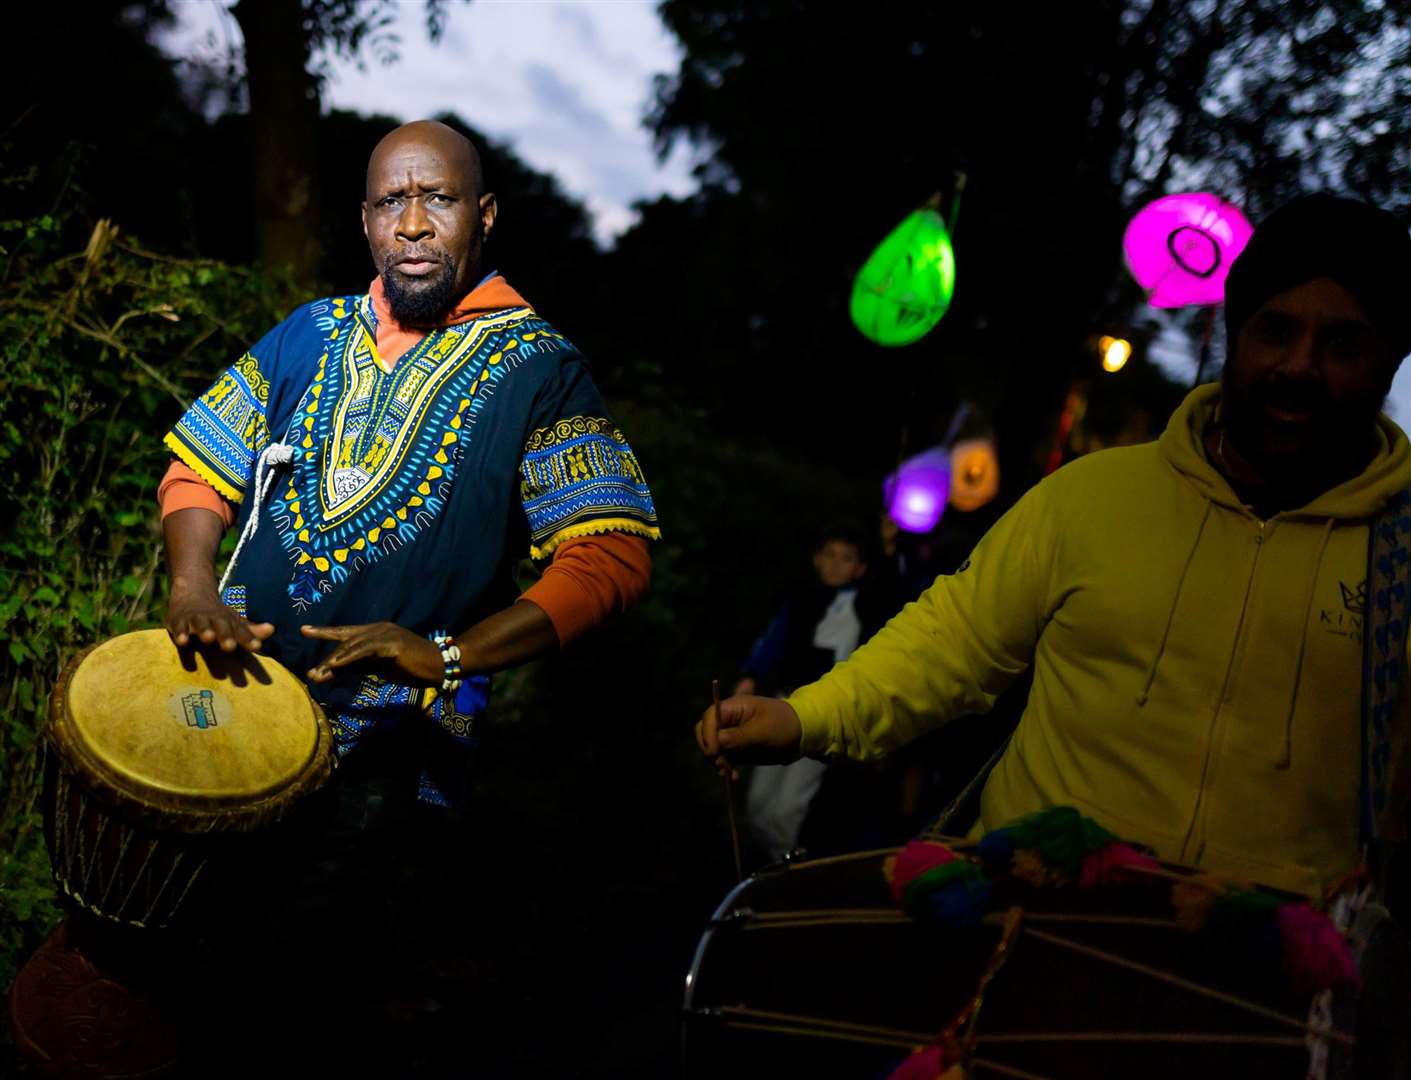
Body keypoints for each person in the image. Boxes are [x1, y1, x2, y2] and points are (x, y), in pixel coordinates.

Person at [697, 193, 1411, 901]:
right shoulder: (1091, 495)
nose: (1298, 366)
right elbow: (952, 639)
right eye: (1274, 331)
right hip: (1027, 932)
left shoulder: (1401, 555)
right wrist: (804, 717)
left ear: (1390, 360)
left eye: (1342, 344)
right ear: (1235, 333)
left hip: (1257, 984)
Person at [157, 119, 659, 1068]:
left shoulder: (539, 371)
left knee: (291, 985)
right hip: (230, 708)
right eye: (393, 201)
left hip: (381, 750)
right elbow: (199, 470)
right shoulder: (310, 333)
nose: (415, 223)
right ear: (365, 222)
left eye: (439, 198)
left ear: (485, 215)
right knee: (194, 952)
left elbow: (610, 555)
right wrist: (192, 587)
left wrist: (449, 655)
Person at [734, 526, 872, 860]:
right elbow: (774, 639)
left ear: (859, 567)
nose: (837, 564)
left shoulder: (866, 605)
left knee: (787, 812)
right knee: (758, 806)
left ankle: (789, 880)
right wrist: (751, 675)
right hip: (783, 703)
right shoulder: (799, 598)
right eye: (830, 555)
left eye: (847, 558)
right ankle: (762, 875)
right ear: (817, 559)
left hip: (823, 714)